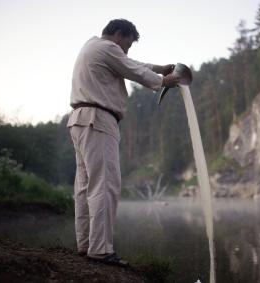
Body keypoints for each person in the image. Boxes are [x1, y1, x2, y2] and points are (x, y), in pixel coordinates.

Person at [67, 19, 180, 266]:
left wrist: (158, 68)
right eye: (127, 44)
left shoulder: (93, 46)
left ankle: (86, 244)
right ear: (118, 35)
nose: (127, 51)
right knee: (105, 185)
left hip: (81, 120)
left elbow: (128, 63)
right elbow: (130, 67)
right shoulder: (108, 49)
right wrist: (163, 81)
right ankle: (100, 249)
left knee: (85, 187)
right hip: (98, 120)